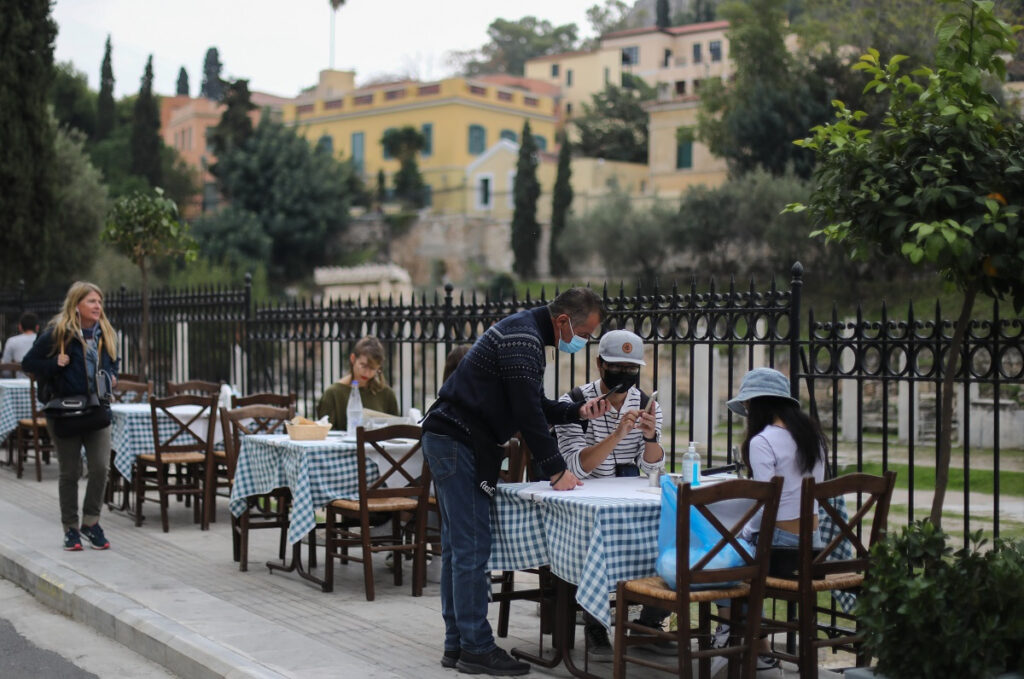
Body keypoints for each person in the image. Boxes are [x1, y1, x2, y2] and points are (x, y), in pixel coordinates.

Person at [421, 287, 611, 676]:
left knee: (460, 549)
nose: (584, 343)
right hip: (458, 441)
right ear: (562, 322)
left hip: (451, 438)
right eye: (585, 334)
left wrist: (577, 411)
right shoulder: (523, 339)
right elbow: (527, 414)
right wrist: (557, 470)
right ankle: (475, 647)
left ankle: (458, 644)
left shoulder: (523, 333)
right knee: (471, 547)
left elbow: (533, 404)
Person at [552, 329, 672, 660]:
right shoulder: (573, 403)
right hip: (584, 503)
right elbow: (576, 467)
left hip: (627, 498)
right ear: (600, 364)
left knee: (670, 532)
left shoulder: (648, 404)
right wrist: (618, 434)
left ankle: (650, 622)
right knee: (599, 539)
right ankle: (594, 622)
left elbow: (652, 470)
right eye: (617, 367)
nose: (625, 376)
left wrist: (649, 439)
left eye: (632, 369)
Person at [716, 367, 828, 673]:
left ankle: (729, 634)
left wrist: (745, 532)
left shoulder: (762, 441)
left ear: (757, 405)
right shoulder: (813, 437)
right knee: (741, 552)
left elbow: (766, 503)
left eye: (748, 407)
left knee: (722, 555)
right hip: (813, 549)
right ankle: (760, 648)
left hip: (780, 552)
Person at [22, 282, 119, 552]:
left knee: (101, 467)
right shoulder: (58, 334)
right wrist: (55, 364)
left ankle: (91, 522)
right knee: (70, 472)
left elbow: (114, 362)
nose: (98, 306)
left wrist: (113, 377)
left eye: (99, 301)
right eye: (91, 301)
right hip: (65, 412)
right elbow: (28, 363)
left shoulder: (106, 334)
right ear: (77, 305)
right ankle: (71, 529)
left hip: (97, 410)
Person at [317, 336, 399, 430]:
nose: (367, 372)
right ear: (353, 359)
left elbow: (395, 431)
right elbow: (324, 432)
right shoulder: (333, 393)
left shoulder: (386, 394)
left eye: (372, 368)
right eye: (363, 365)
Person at [2, 311, 38, 377]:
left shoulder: (12, 341)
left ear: (20, 327)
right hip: (39, 381)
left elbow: (5, 368)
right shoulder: (41, 339)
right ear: (37, 327)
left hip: (18, 381)